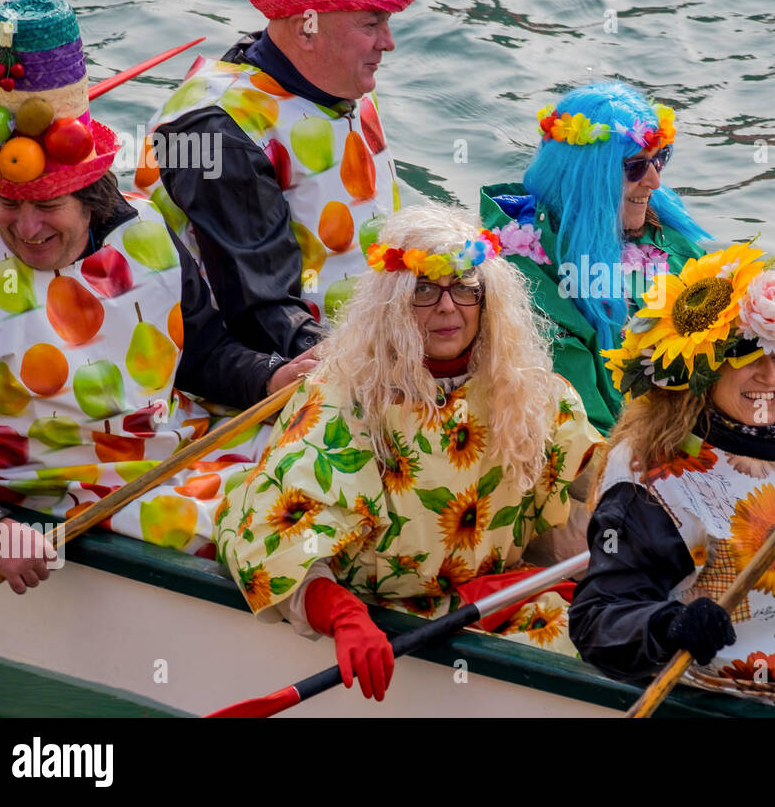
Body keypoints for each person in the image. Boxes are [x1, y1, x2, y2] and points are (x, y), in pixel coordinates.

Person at [0, 0, 313, 557]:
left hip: (169, 449)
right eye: (8, 203)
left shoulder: (143, 231)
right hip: (52, 492)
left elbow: (202, 355)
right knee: (278, 525)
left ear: (90, 196)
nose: (26, 228)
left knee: (324, 467)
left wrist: (271, 377)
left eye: (48, 206)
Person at [221, 204, 603, 701]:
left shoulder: (533, 395)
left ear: (487, 299)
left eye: (464, 286)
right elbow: (275, 535)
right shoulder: (346, 399)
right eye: (424, 290)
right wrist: (342, 614)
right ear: (393, 304)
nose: (448, 307)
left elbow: (601, 487)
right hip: (381, 614)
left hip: (497, 600)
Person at [139, 0, 425, 357]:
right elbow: (259, 315)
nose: (388, 43)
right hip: (256, 385)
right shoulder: (214, 133)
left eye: (386, 22)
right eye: (370, 23)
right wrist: (377, 369)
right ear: (306, 27)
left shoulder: (340, 81)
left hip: (367, 338)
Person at [480, 82, 710, 434]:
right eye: (634, 167)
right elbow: (586, 434)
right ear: (585, 178)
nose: (654, 182)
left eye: (658, 160)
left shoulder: (667, 236)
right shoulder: (526, 283)